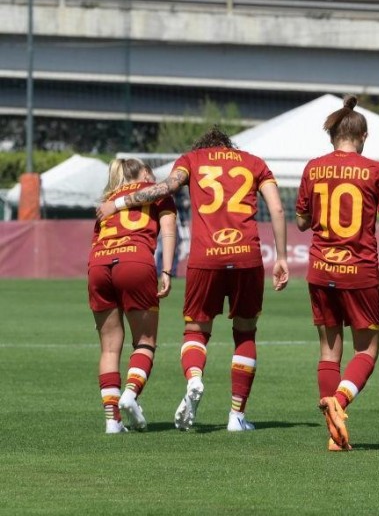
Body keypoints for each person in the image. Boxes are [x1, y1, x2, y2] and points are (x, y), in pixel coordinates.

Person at [98, 125, 289, 432]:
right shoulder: (254, 162)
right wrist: (281, 256)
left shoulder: (191, 159)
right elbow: (277, 208)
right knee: (245, 333)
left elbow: (164, 189)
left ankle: (195, 378)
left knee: (196, 331)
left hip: (205, 257)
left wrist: (117, 203)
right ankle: (236, 417)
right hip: (247, 256)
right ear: (229, 145)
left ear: (204, 146)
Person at [296, 97, 379, 451]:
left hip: (321, 268)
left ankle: (333, 434)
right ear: (363, 136)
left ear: (332, 137)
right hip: (359, 271)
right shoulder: (375, 170)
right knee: (367, 351)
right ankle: (340, 403)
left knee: (329, 352)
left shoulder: (313, 168)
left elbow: (302, 221)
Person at [89, 158, 176, 433]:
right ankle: (130, 394)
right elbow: (170, 233)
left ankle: (111, 421)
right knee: (146, 341)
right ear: (146, 173)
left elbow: (96, 241)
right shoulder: (158, 193)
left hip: (98, 265)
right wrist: (167, 271)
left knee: (109, 347)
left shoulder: (108, 200)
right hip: (135, 261)